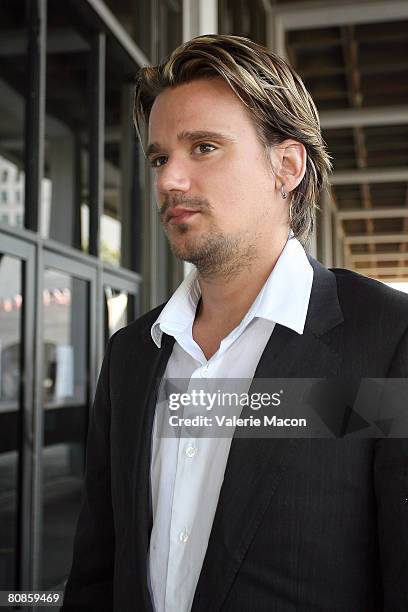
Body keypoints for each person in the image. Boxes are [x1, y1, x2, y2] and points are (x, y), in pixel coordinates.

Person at [61, 35, 408, 611]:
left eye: (203, 147)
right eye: (159, 157)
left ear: (286, 166)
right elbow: (99, 570)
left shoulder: (388, 342)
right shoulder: (133, 354)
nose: (169, 180)